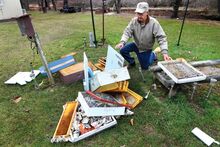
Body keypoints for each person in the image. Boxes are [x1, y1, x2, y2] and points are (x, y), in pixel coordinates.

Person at [115, 2, 170, 70]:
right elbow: (127, 32)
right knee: (123, 50)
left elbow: (161, 37)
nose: (139, 16)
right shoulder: (134, 21)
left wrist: (164, 52)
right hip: (136, 44)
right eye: (138, 13)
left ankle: (153, 54)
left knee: (145, 67)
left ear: (147, 12)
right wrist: (122, 42)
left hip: (145, 49)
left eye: (141, 14)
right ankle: (132, 62)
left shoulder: (154, 23)